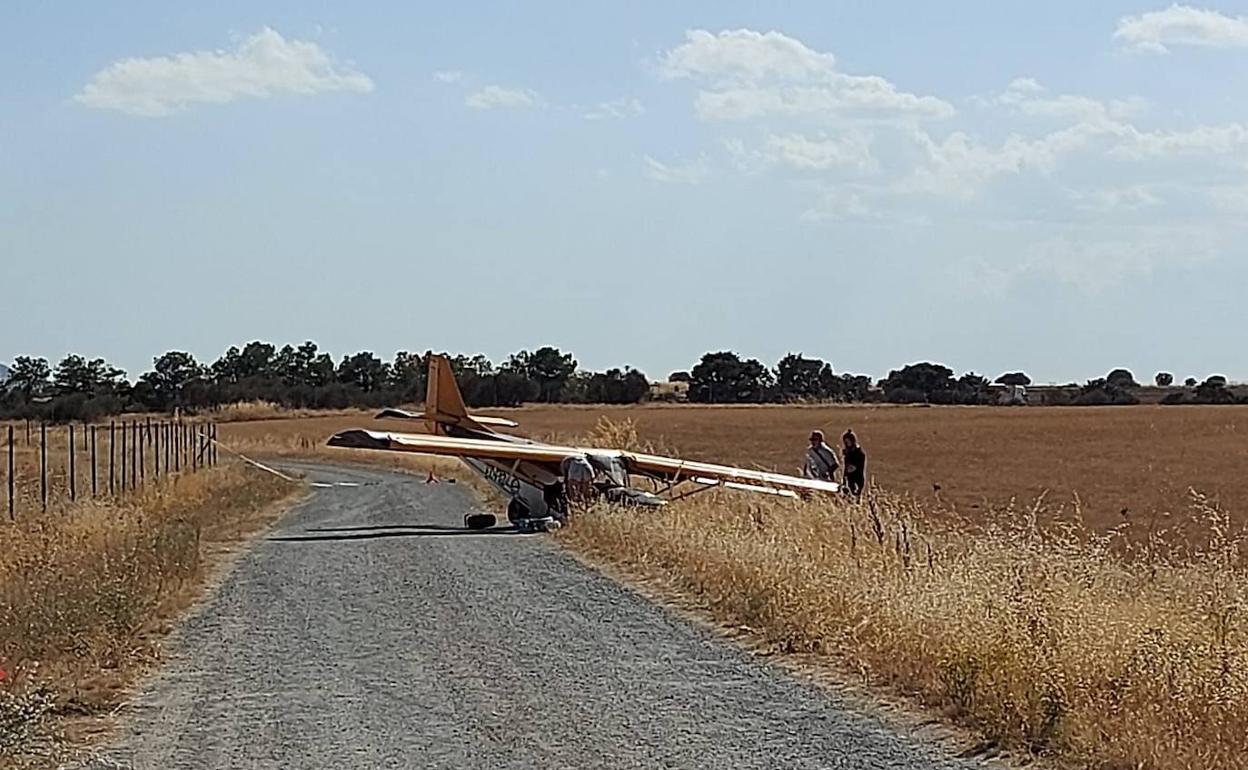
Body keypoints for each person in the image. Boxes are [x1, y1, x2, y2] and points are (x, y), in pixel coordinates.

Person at [842, 429, 866, 498]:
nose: (846, 444)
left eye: (847, 442)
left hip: (856, 479)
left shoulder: (858, 453)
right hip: (848, 479)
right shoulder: (848, 453)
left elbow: (854, 468)